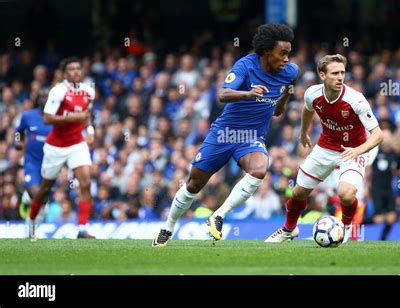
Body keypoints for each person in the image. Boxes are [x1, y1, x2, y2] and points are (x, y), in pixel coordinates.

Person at [152, 23, 299, 247]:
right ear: (267, 51)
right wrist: (248, 93)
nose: (287, 58)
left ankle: (219, 215)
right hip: (225, 133)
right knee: (194, 184)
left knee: (260, 169)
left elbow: (285, 96)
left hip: (251, 136)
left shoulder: (291, 72)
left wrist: (284, 101)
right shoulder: (246, 65)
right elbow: (222, 94)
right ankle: (168, 227)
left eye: (289, 53)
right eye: (283, 53)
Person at [265, 54, 383, 243]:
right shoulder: (312, 93)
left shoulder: (356, 100)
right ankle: (289, 230)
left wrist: (358, 150)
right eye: (335, 73)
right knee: (297, 193)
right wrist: (303, 133)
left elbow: (378, 135)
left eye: (342, 73)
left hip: (352, 150)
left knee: (345, 194)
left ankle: (344, 227)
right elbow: (308, 109)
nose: (340, 77)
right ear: (322, 75)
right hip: (325, 148)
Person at [28, 57, 96, 239]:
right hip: (55, 147)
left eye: (78, 69)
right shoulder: (58, 91)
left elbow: (86, 115)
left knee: (86, 183)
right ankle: (32, 221)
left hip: (77, 144)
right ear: (65, 73)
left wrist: (90, 131)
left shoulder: (88, 92)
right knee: (45, 188)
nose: (75, 72)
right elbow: (47, 118)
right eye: (71, 69)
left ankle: (82, 229)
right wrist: (75, 117)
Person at [15, 90, 52, 223]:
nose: (44, 99)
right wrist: (17, 141)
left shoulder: (57, 119)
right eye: (41, 96)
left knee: (44, 199)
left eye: (46, 97)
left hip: (50, 164)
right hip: (32, 162)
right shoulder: (28, 116)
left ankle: (32, 224)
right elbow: (18, 132)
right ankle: (28, 200)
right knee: (36, 193)